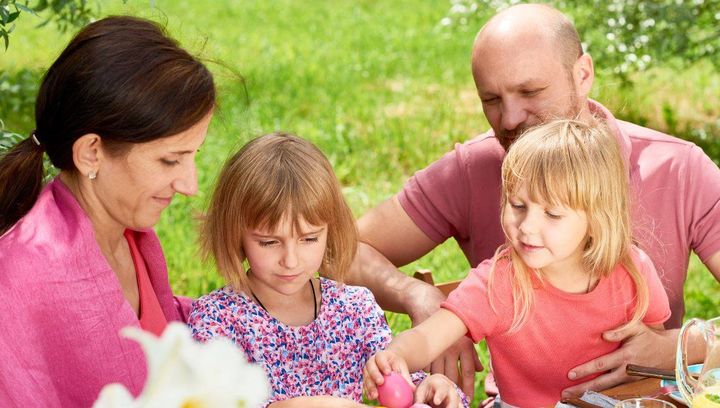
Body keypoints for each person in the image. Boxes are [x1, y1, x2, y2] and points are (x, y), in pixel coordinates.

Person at [352, 2, 720, 398]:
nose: (509, 120)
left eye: (531, 91)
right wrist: (419, 297)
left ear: (583, 75)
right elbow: (338, 247)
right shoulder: (473, 172)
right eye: (491, 99)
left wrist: (680, 346)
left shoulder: (678, 171)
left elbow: (661, 335)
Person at [363, 119, 672, 407]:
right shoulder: (499, 283)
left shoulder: (632, 270)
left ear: (596, 219)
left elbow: (651, 354)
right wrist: (396, 355)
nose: (527, 227)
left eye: (552, 214)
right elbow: (428, 337)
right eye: (518, 205)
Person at [0, 16, 215, 407]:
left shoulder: (128, 237)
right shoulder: (20, 281)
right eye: (170, 161)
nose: (190, 185)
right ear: (91, 153)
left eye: (192, 156)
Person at [187, 133, 467, 408]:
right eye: (269, 242)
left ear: (330, 230)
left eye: (309, 239)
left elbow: (398, 377)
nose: (291, 260)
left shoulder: (353, 308)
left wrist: (429, 389)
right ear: (235, 234)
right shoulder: (218, 319)